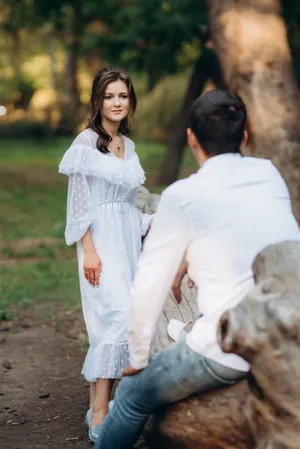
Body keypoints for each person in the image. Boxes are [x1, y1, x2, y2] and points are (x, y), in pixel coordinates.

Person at [93, 89, 300, 449]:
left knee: (130, 396)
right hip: (289, 326)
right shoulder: (269, 174)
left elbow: (147, 286)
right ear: (245, 136)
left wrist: (139, 356)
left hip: (233, 347)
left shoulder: (183, 195)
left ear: (191, 138)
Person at [58, 67, 152, 442]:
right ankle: (98, 412)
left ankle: (109, 404)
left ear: (130, 102)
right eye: (110, 96)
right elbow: (79, 207)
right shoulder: (85, 144)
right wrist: (90, 252)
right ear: (97, 101)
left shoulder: (128, 147)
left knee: (128, 321)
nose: (116, 103)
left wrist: (151, 222)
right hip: (101, 244)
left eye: (123, 96)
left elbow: (131, 203)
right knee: (111, 321)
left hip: (127, 239)